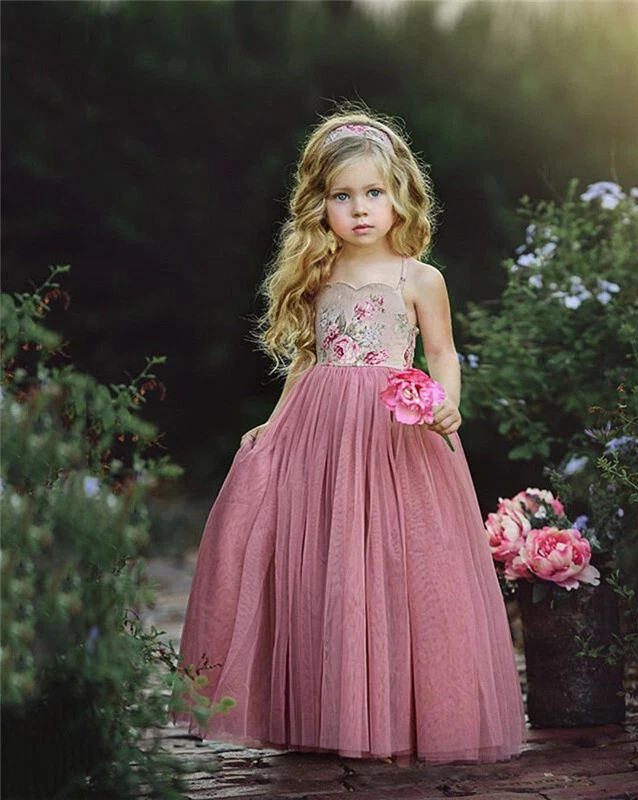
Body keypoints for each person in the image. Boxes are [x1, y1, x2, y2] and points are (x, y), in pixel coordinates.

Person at [171, 107, 527, 765]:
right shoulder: (320, 274)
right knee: (327, 558)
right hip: (324, 429)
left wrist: (447, 401)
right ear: (320, 204)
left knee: (400, 562)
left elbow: (442, 352)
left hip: (397, 433)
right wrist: (275, 424)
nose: (360, 208)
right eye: (342, 196)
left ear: (399, 197)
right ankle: (328, 711)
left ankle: (400, 716)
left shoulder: (419, 278)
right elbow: (307, 358)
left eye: (373, 192)